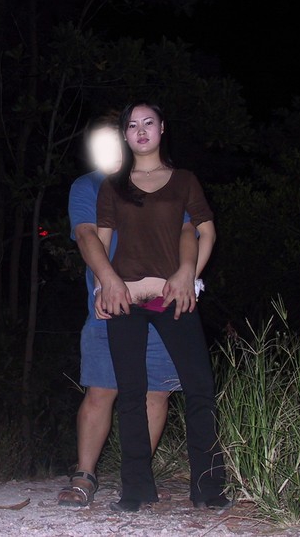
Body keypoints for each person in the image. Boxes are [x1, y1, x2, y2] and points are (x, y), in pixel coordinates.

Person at [58, 111, 201, 507]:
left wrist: (186, 274)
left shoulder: (166, 181)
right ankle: (84, 475)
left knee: (157, 392)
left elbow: (188, 230)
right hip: (111, 305)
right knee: (102, 389)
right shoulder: (88, 185)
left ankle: (135, 478)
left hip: (161, 303)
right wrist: (108, 280)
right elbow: (87, 235)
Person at [95, 100, 228, 512]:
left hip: (174, 297)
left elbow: (206, 231)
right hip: (127, 299)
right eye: (132, 125)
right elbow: (101, 242)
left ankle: (208, 488)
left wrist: (189, 276)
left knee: (200, 388)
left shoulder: (184, 180)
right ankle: (136, 490)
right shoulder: (114, 185)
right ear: (125, 134)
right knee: (131, 395)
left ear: (162, 128)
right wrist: (102, 286)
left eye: (148, 123)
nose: (141, 130)